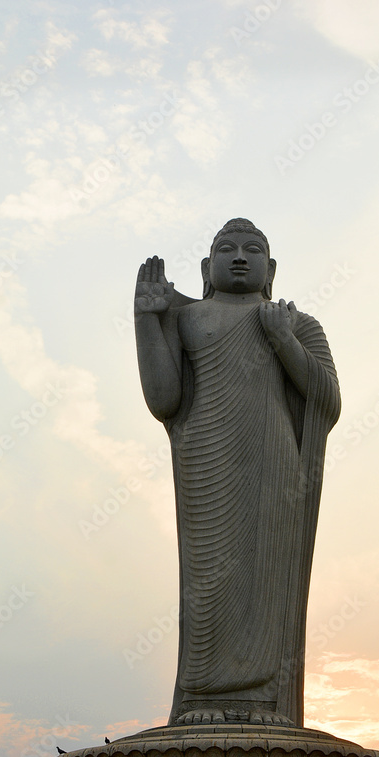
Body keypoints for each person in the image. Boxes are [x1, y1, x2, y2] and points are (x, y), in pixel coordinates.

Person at [134, 218, 340, 727]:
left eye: (253, 249)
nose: (240, 256)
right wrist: (146, 322)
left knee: (264, 573)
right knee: (209, 578)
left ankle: (265, 700)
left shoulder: (298, 323)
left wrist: (282, 339)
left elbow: (326, 400)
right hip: (206, 456)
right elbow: (164, 400)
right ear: (207, 268)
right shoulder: (187, 319)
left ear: (272, 269)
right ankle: (203, 698)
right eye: (227, 249)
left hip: (273, 464)